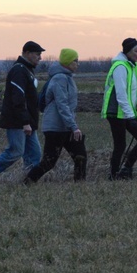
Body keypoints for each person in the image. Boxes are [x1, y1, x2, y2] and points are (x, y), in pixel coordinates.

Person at [0, 41, 45, 178]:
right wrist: (25, 122)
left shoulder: (27, 70)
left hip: (28, 122)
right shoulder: (19, 71)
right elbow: (18, 99)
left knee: (34, 154)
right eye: (37, 54)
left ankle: (29, 179)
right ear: (27, 53)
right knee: (16, 151)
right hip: (18, 121)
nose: (40, 58)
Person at [24, 48, 86, 184]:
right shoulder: (59, 78)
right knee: (49, 161)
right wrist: (74, 126)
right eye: (75, 61)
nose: (78, 64)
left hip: (66, 127)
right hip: (55, 128)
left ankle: (80, 186)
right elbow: (62, 105)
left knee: (80, 156)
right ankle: (27, 182)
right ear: (68, 63)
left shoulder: (67, 77)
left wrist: (71, 126)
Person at [102, 38, 137, 180]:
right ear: (128, 52)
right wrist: (131, 116)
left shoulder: (131, 66)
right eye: (136, 51)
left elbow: (132, 94)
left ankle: (125, 169)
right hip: (116, 112)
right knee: (120, 145)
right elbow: (121, 95)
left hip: (125, 111)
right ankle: (114, 175)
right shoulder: (120, 67)